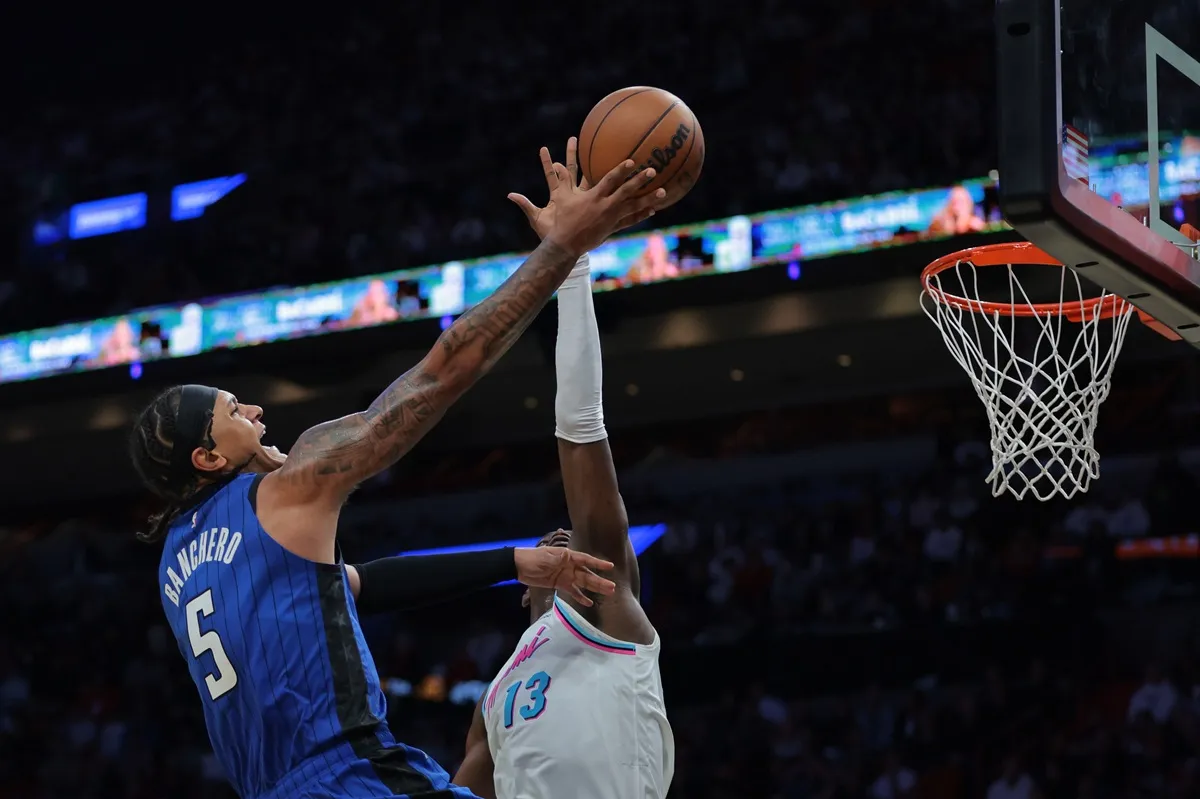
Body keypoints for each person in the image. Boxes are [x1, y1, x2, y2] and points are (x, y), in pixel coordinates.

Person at [126, 139, 667, 799]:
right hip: (349, 778)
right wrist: (562, 252)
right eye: (236, 411)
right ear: (207, 457)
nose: (259, 411)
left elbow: (350, 588)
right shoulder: (289, 486)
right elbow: (445, 369)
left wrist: (511, 561)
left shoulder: (179, 567)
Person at [454, 161, 674, 799]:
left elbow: (581, 428)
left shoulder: (605, 609)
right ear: (525, 589)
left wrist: (572, 266)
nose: (563, 537)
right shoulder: (494, 697)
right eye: (552, 540)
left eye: (571, 535)